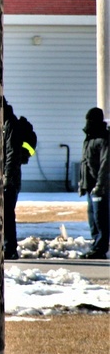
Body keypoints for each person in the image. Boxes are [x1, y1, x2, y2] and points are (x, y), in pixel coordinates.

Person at [79, 107, 109, 260]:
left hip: (100, 187)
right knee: (92, 218)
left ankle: (100, 247)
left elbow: (105, 164)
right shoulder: (89, 138)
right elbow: (85, 162)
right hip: (90, 185)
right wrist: (82, 183)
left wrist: (100, 185)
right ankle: (96, 244)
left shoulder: (103, 138)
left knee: (100, 217)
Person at [2, 98, 23, 260]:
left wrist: (7, 177)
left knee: (7, 214)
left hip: (9, 178)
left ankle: (10, 248)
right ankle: (4, 245)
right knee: (1, 214)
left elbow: (12, 154)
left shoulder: (10, 125)